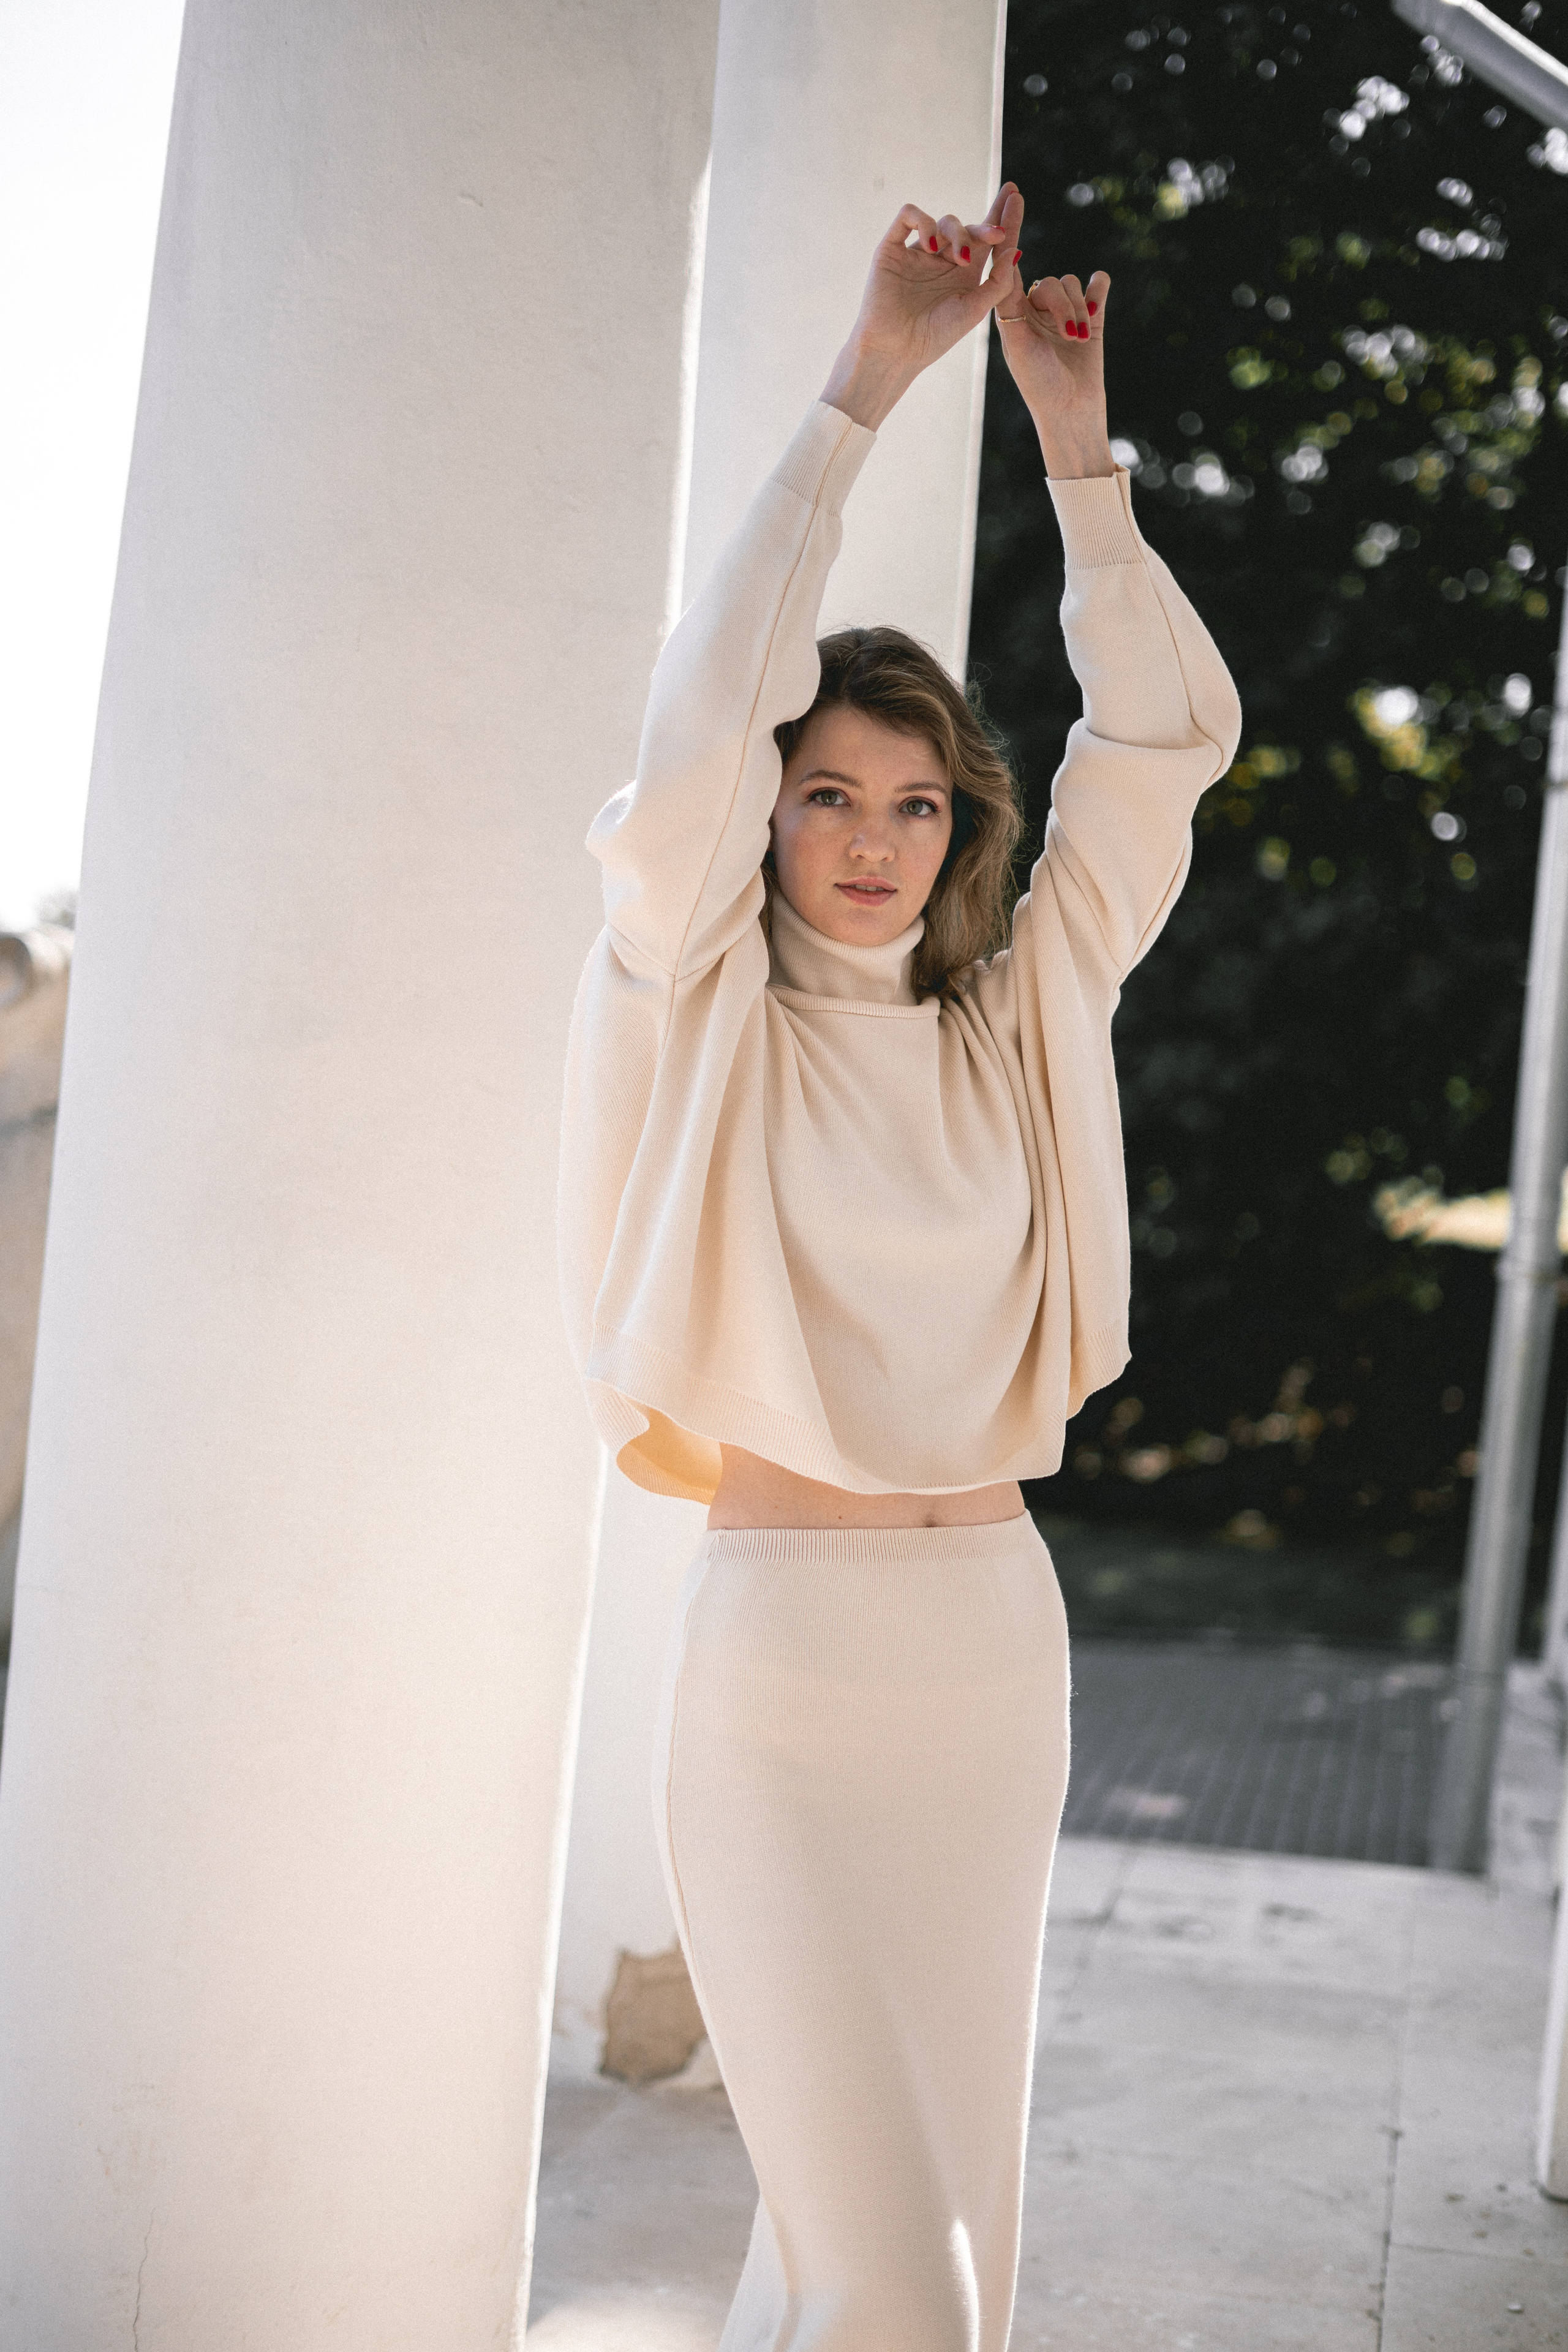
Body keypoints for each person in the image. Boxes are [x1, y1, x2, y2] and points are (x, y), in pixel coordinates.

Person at [559, 180, 1240, 2351]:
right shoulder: (692, 1004)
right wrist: (866, 385)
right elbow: (690, 738)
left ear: (963, 827)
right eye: (826, 793)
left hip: (992, 1668)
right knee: (898, 2294)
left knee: (945, 2261)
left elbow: (1171, 740)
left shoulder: (1017, 1022)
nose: (869, 838)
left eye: (918, 803)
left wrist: (1076, 443)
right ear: (768, 815)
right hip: (780, 1683)